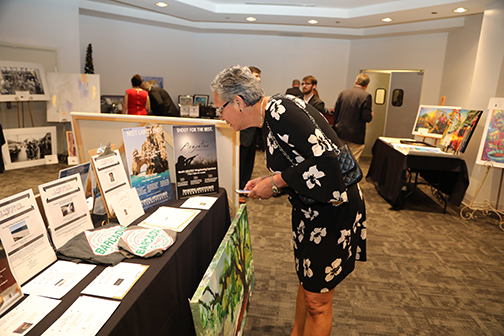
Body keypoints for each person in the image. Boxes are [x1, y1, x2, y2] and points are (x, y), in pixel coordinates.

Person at [211, 65, 366, 336]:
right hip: (313, 210)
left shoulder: (281, 111)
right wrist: (267, 180)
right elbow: (302, 164)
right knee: (309, 286)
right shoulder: (273, 115)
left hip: (333, 209)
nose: (219, 116)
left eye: (219, 108)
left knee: (318, 300)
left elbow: (326, 161)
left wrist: (275, 182)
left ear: (237, 102)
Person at [332, 73, 373, 162]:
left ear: (355, 82)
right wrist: (371, 115)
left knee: (339, 159)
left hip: (340, 132)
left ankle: (338, 176)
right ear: (367, 85)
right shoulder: (366, 96)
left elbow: (336, 112)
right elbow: (366, 117)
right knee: (352, 162)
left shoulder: (343, 93)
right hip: (355, 135)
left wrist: (336, 126)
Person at [238, 66, 262, 202]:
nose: (258, 78)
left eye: (259, 76)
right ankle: (238, 191)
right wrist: (238, 137)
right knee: (240, 165)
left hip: (254, 135)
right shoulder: (241, 93)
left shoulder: (257, 93)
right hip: (243, 136)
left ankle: (245, 188)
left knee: (249, 164)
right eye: (256, 75)